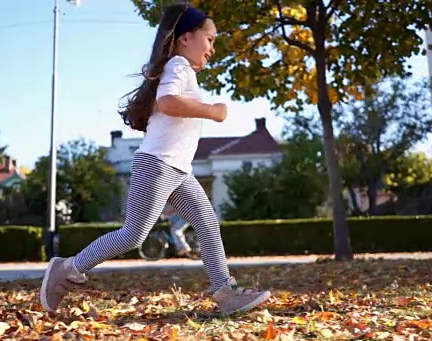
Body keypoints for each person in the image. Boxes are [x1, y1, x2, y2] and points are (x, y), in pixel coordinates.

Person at [39, 3, 271, 315]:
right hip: (158, 165)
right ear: (186, 38)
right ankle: (66, 269)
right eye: (211, 39)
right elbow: (168, 102)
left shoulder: (180, 68)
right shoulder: (178, 65)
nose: (213, 48)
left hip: (178, 169)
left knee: (207, 222)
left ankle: (225, 292)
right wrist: (212, 111)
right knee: (133, 235)